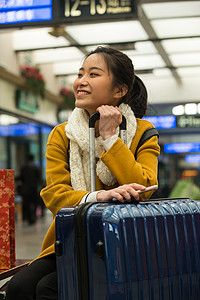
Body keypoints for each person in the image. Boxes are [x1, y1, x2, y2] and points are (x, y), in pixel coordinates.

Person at [5, 46, 160, 299]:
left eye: (94, 74)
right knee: (19, 287)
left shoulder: (142, 131)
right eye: (80, 73)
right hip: (70, 240)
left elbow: (144, 187)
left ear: (120, 91)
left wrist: (111, 138)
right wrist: (97, 197)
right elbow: (55, 195)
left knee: (50, 289)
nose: (81, 81)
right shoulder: (62, 134)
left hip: (121, 244)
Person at [20, 153, 41, 225]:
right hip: (34, 188)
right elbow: (38, 178)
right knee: (34, 203)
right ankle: (34, 216)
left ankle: (28, 218)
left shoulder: (24, 167)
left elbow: (21, 178)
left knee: (27, 203)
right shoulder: (36, 167)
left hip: (26, 188)